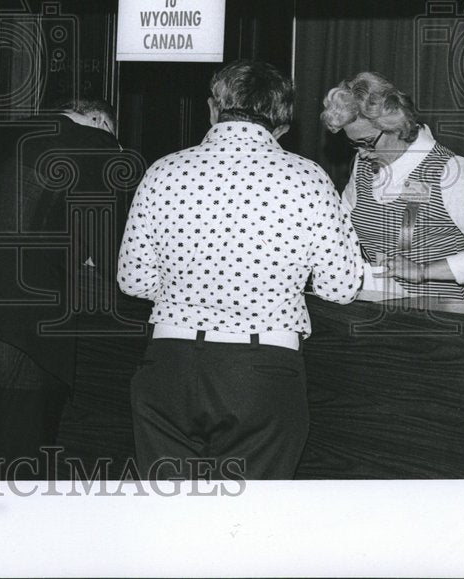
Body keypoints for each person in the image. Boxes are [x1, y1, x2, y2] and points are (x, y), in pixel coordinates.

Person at [118, 60, 364, 481]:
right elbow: (341, 288)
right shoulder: (308, 179)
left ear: (214, 108)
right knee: (248, 527)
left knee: (169, 522)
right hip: (262, 370)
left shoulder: (163, 171)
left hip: (169, 365)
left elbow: (133, 280)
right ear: (283, 124)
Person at [0, 99, 132, 473]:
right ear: (100, 122)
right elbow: (115, 256)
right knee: (18, 471)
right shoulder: (98, 144)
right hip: (15, 329)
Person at [321, 71, 464, 300]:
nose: (362, 153)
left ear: (395, 124)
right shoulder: (363, 165)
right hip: (376, 309)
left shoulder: (450, 170)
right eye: (355, 145)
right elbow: (341, 224)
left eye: (367, 142)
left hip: (437, 318)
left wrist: (423, 271)